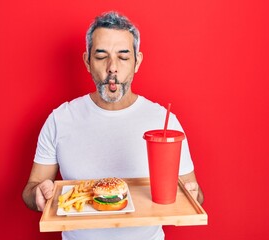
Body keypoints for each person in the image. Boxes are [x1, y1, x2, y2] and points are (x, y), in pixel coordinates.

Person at [22, 11, 204, 240]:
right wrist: (38, 193)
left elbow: (195, 195)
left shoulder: (163, 121)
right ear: (87, 61)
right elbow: (31, 188)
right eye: (101, 56)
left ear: (137, 62)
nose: (112, 68)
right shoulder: (60, 119)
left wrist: (191, 195)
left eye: (123, 57)